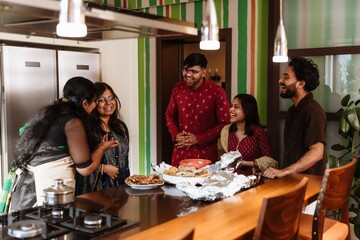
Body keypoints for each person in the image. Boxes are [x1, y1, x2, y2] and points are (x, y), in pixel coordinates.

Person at [11, 77, 118, 210]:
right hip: (50, 185)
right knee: (54, 225)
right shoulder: (73, 122)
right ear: (85, 103)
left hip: (26, 184)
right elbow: (85, 169)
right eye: (96, 101)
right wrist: (102, 147)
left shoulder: (49, 113)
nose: (96, 105)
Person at [264, 57, 326, 179]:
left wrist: (286, 171)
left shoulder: (313, 111)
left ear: (301, 84)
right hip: (292, 181)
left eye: (286, 77)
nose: (280, 80)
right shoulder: (292, 110)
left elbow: (317, 152)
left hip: (309, 184)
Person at [165, 53, 230, 166]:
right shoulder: (178, 88)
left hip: (205, 153)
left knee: (204, 182)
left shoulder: (217, 92)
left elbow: (225, 123)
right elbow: (169, 115)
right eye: (185, 70)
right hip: (181, 150)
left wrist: (198, 138)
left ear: (203, 72)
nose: (188, 75)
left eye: (194, 71)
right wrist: (176, 135)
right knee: (177, 181)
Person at [76, 82, 130, 194]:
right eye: (102, 100)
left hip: (121, 186)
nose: (108, 103)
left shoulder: (121, 127)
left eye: (111, 98)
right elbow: (78, 163)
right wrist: (102, 168)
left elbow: (125, 159)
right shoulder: (87, 128)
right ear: (94, 103)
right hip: (95, 189)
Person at [220, 94, 277, 176]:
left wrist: (245, 163)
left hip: (253, 180)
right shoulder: (227, 131)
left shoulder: (259, 133)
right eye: (232, 106)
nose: (230, 109)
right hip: (232, 180)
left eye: (236, 107)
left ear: (247, 110)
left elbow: (271, 162)